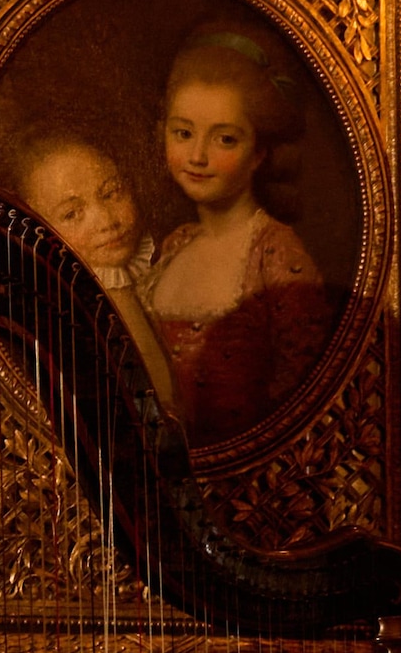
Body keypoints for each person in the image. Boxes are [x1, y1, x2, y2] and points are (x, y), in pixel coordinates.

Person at [135, 24, 339, 438]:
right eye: (183, 133)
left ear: (259, 153)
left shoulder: (276, 253)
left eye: (224, 139)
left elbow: (303, 398)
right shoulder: (177, 244)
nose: (197, 156)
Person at [2, 121, 183, 411]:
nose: (107, 221)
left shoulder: (170, 264)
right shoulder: (54, 317)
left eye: (112, 193)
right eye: (73, 213)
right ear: (38, 230)